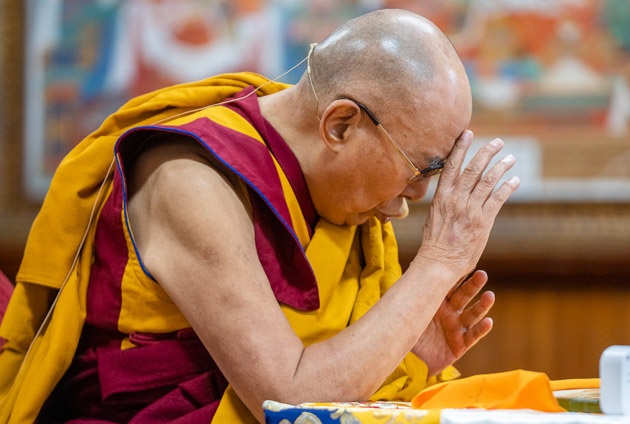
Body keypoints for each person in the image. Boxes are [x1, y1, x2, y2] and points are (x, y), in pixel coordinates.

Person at [0, 8, 519, 423]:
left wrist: (413, 356)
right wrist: (438, 262)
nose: (410, 202)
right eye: (417, 171)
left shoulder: (334, 198)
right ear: (340, 126)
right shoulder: (192, 179)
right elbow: (291, 402)